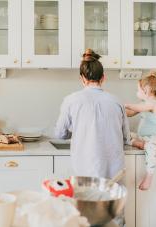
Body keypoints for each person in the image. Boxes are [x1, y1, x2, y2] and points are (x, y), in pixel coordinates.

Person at [55, 48, 130, 180]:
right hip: (114, 174)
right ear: (103, 78)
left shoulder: (71, 100)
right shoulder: (117, 101)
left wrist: (78, 130)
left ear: (82, 78)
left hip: (85, 171)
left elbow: (60, 134)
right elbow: (126, 137)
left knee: (87, 200)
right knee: (113, 201)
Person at [125, 71, 156, 190]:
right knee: (125, 135)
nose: (137, 92)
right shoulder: (144, 104)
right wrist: (118, 111)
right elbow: (131, 113)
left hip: (155, 138)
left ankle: (149, 176)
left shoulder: (153, 104)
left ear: (146, 90)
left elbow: (136, 108)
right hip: (143, 137)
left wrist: (125, 104)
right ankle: (140, 144)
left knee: (150, 147)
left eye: (138, 90)